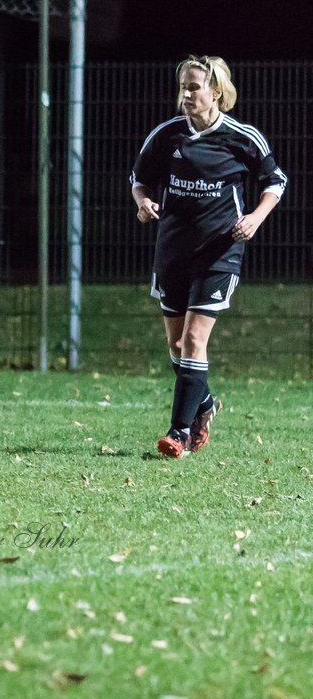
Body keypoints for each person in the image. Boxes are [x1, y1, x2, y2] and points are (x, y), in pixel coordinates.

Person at [130, 55, 287, 458]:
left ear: (215, 91)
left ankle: (178, 433)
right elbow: (140, 180)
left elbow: (276, 182)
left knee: (195, 338)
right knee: (177, 345)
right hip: (173, 250)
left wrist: (255, 217)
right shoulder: (166, 135)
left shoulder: (242, 137)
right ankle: (203, 403)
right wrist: (143, 202)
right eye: (182, 86)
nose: (185, 94)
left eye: (194, 87)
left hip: (220, 251)